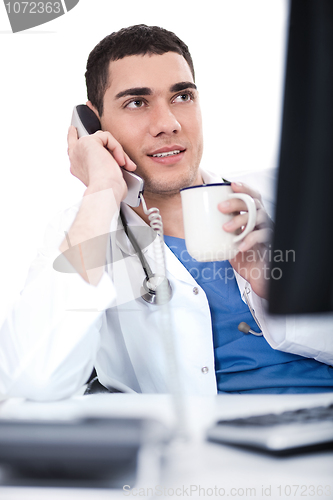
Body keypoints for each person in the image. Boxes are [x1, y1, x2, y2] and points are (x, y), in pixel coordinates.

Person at [1, 25, 332, 400]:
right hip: (221, 448)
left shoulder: (290, 197)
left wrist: (286, 289)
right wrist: (102, 192)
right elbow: (32, 381)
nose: (168, 124)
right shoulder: (83, 229)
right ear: (93, 122)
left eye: (183, 96)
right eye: (137, 103)